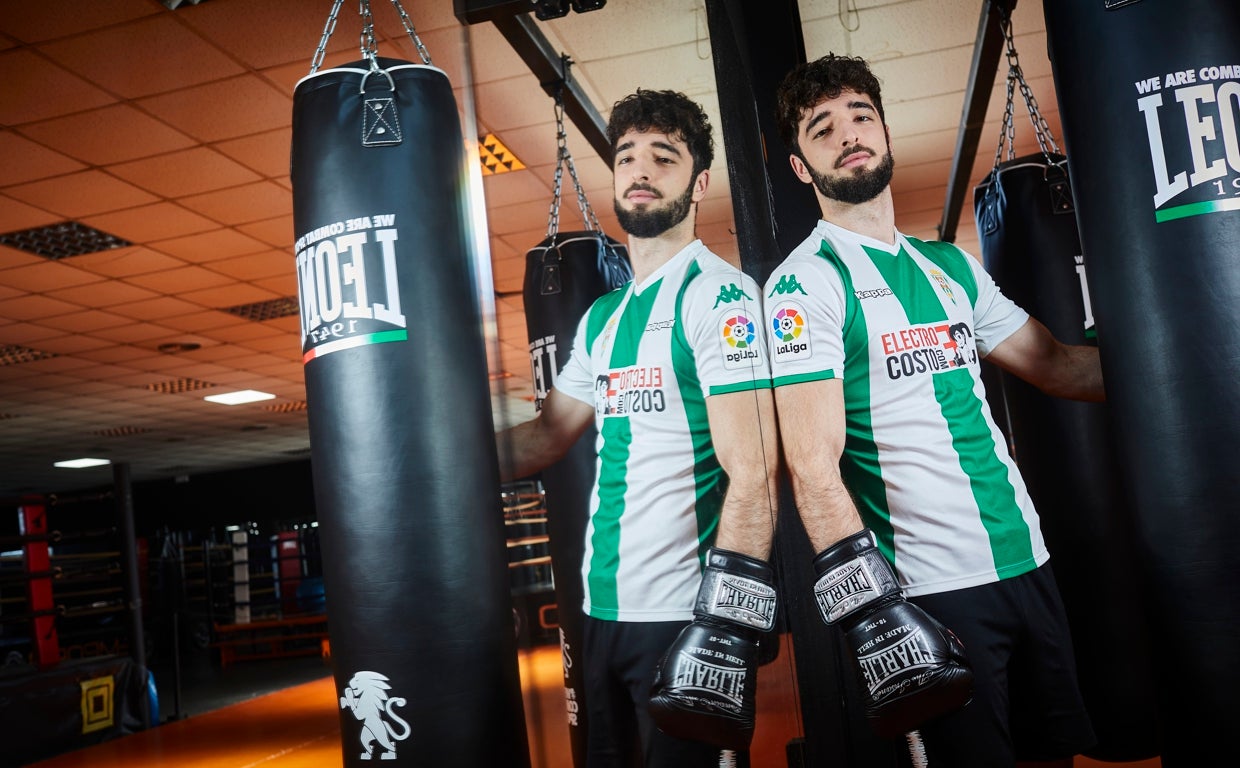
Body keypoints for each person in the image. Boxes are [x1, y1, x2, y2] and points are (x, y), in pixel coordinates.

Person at [764, 53, 1103, 767]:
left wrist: (1184, 360)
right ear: (802, 166)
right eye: (822, 128)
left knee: (1055, 758)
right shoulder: (804, 286)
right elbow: (813, 466)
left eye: (861, 115)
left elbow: (1057, 367)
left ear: (884, 131)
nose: (848, 133)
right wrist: (876, 614)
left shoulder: (949, 266)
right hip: (929, 592)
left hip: (1026, 560)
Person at [496, 89, 780, 767]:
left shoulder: (720, 296)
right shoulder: (603, 319)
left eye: (663, 156)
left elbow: (757, 473)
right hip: (603, 610)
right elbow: (547, 435)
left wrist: (723, 627)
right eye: (626, 157)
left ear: (699, 181)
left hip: (686, 615)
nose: (640, 170)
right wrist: (441, 454)